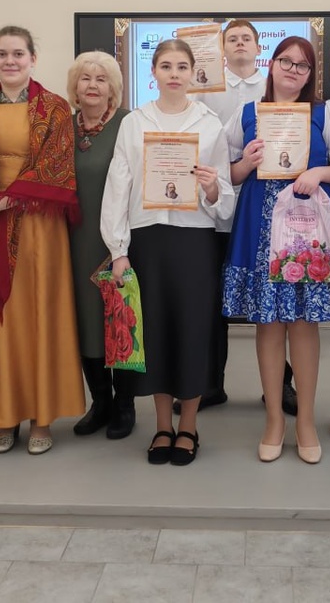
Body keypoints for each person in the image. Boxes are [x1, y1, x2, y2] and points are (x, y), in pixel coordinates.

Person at [0, 27, 85, 455]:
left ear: (32, 59)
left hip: (40, 228)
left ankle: (41, 418)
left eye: (18, 53)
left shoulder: (55, 108)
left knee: (40, 316)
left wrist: (10, 197)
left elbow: (58, 166)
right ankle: (4, 416)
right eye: (2, 54)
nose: (10, 61)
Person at [223, 36, 330, 464]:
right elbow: (229, 174)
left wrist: (319, 172)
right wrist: (247, 161)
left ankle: (305, 422)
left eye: (303, 65)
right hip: (260, 226)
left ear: (310, 73)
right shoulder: (246, 114)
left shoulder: (324, 113)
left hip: (306, 226)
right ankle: (274, 421)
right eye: (286, 61)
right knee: (268, 324)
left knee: (303, 322)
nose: (293, 70)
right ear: (272, 64)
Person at [100, 40, 233, 465]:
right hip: (147, 240)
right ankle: (161, 426)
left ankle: (188, 426)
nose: (174, 74)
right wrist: (118, 249)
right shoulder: (134, 123)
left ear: (194, 73)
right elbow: (118, 186)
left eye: (182, 66)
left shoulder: (210, 123)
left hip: (195, 240)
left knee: (192, 331)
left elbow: (224, 194)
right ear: (153, 72)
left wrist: (211, 188)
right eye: (165, 66)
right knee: (155, 333)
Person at [201, 19, 297, 414]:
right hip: (216, 210)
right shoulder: (204, 89)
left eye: (247, 38)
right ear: (222, 49)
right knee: (213, 300)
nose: (240, 43)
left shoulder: (274, 89)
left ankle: (280, 385)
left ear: (260, 48)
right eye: (232, 39)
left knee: (270, 298)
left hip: (265, 210)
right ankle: (210, 384)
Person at [66, 51, 135, 441]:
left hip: (117, 241)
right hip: (72, 242)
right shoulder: (63, 128)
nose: (92, 85)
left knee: (118, 318)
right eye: (85, 78)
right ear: (74, 87)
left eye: (101, 78)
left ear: (114, 87)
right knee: (85, 321)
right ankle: (100, 402)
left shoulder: (128, 123)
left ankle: (125, 405)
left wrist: (122, 243)